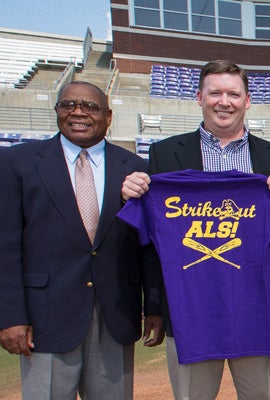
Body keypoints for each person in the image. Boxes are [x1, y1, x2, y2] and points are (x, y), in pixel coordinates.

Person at [121, 60, 270, 400]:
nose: (224, 101)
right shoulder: (164, 154)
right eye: (215, 92)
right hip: (189, 312)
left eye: (233, 93)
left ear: (247, 101)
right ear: (199, 97)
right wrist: (154, 305)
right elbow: (152, 241)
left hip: (254, 312)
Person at [0, 81, 163, 399]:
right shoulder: (17, 163)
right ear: (57, 111)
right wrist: (10, 316)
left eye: (90, 107)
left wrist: (154, 306)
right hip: (45, 319)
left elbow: (148, 247)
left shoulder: (137, 168)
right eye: (68, 105)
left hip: (115, 316)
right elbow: (6, 247)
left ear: (109, 116)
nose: (78, 112)